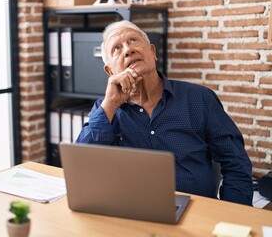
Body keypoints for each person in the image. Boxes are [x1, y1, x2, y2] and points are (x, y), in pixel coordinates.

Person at [76, 20, 253, 206]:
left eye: (133, 40)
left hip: (197, 211)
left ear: (152, 52)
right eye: (117, 49)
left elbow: (236, 163)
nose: (128, 50)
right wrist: (111, 104)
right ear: (110, 70)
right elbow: (81, 166)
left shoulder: (199, 98)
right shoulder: (105, 110)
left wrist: (231, 216)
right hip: (130, 210)